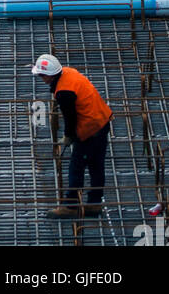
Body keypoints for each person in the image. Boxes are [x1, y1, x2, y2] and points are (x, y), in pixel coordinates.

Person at [31, 52, 112, 219]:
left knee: (76, 166)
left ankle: (71, 205)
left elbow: (70, 117)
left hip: (90, 129)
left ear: (48, 75)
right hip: (102, 121)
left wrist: (69, 136)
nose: (40, 78)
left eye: (41, 75)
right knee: (96, 165)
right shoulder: (68, 72)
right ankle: (95, 203)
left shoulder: (64, 92)